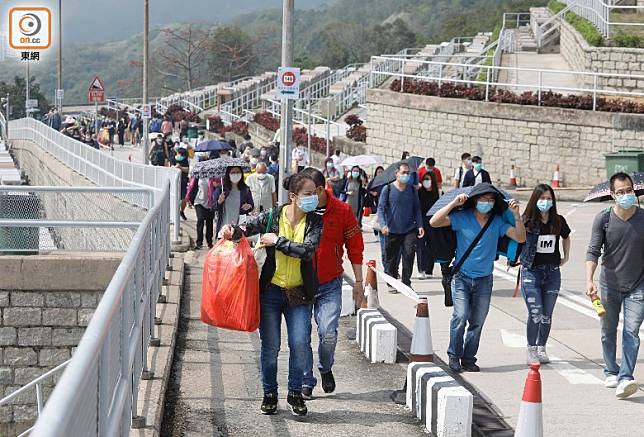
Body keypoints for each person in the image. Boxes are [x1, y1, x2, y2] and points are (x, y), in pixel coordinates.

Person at [221, 173, 323, 417]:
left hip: (299, 294)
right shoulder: (273, 216)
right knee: (271, 347)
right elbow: (247, 228)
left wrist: (278, 241)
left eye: (315, 194)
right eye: (308, 194)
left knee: (299, 344)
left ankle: (295, 392)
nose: (313, 198)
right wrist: (231, 230)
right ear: (293, 197)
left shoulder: (315, 222)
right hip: (270, 292)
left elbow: (308, 251)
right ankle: (269, 394)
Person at [430, 183, 525, 372]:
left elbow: (520, 238)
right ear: (475, 200)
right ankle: (454, 355)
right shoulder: (461, 217)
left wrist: (516, 215)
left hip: (484, 279)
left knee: (477, 321)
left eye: (490, 200)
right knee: (460, 316)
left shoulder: (497, 221)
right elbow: (434, 222)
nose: (486, 203)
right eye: (483, 199)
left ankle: (469, 358)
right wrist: (453, 205)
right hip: (462, 277)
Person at [299, 168, 364, 399]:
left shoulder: (342, 210)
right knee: (301, 336)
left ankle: (325, 368)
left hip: (329, 283)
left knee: (328, 333)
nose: (303, 197)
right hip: (300, 284)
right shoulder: (299, 209)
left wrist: (359, 281)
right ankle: (307, 378)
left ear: (319, 190)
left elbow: (355, 246)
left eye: (307, 193)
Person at [586, 172, 644, 399]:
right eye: (620, 192)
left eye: (628, 190)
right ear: (612, 194)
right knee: (608, 331)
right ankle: (611, 370)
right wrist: (589, 280)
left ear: (634, 190)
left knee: (631, 331)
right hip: (610, 284)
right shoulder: (604, 219)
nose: (625, 195)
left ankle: (626, 377)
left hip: (638, 286)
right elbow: (592, 251)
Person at [521, 184, 571, 365]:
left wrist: (566, 257)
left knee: (546, 315)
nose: (545, 202)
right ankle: (531, 348)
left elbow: (566, 236)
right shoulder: (527, 221)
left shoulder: (558, 220)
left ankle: (541, 347)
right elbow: (518, 238)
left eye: (549, 199)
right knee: (535, 312)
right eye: (542, 198)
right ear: (535, 200)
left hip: (552, 273)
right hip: (531, 272)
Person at [377, 163, 424, 291]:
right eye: (403, 172)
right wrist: (383, 224)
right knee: (391, 259)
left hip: (409, 229)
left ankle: (406, 282)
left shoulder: (412, 190)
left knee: (409, 255)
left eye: (407, 173)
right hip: (391, 230)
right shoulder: (388, 189)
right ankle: (391, 282)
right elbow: (380, 209)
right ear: (396, 174)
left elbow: (417, 209)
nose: (406, 175)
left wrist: (420, 225)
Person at [212, 166, 254, 236]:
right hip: (224, 229)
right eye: (233, 172)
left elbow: (251, 205)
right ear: (228, 174)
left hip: (240, 228)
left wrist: (249, 206)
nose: (236, 174)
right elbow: (213, 207)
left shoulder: (245, 189)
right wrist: (219, 201)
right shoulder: (221, 189)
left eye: (238, 172)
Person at [187, 156, 216, 249]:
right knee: (200, 219)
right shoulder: (197, 176)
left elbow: (218, 187)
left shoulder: (214, 176)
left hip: (210, 203)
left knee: (209, 222)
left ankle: (209, 241)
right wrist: (189, 198)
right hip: (199, 201)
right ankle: (199, 242)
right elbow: (191, 187)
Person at [417, 171, 440, 279]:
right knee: (421, 246)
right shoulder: (420, 192)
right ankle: (421, 269)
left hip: (433, 222)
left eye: (428, 179)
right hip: (421, 221)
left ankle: (429, 270)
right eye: (425, 179)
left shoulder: (436, 193)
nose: (426, 181)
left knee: (431, 245)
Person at [175, 148, 190, 220]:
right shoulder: (173, 159)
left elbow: (187, 170)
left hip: (183, 182)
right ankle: (175, 213)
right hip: (175, 182)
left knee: (184, 198)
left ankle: (181, 211)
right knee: (175, 198)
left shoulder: (185, 161)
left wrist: (180, 167)